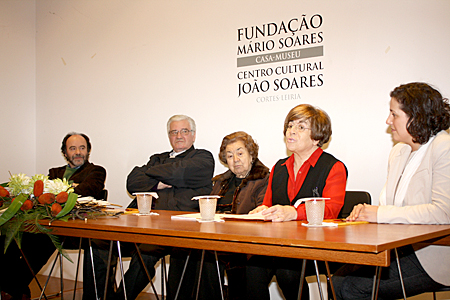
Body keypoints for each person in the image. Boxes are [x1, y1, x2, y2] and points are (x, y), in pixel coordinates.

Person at [333, 82, 450, 300]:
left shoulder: (444, 147)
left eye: (393, 114)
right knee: (337, 280)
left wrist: (380, 214)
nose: (388, 121)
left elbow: (443, 213)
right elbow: (394, 208)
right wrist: (368, 212)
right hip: (398, 248)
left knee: (351, 288)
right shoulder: (399, 151)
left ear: (415, 116)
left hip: (433, 257)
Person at [86, 115, 214, 300]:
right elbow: (133, 182)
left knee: (145, 251)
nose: (178, 136)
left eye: (184, 131)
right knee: (98, 242)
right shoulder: (157, 158)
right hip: (142, 221)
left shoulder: (203, 157)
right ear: (168, 136)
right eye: (173, 132)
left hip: (178, 227)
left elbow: (182, 172)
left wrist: (150, 175)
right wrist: (160, 181)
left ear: (193, 135)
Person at [246, 104, 348, 300]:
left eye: (301, 127)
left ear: (317, 136)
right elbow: (268, 203)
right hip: (280, 244)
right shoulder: (279, 167)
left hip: (316, 246)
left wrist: (294, 212)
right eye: (290, 125)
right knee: (253, 265)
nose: (291, 131)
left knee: (288, 269)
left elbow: (332, 211)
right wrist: (262, 211)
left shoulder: (333, 167)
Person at [0, 132, 106, 300]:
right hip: (49, 223)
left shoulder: (97, 171)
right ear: (65, 153)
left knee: (42, 238)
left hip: (75, 229)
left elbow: (86, 191)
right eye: (73, 148)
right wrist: (68, 189)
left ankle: (11, 289)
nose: (78, 152)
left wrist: (60, 191)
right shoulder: (54, 171)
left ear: (88, 151)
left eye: (82, 148)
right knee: (11, 233)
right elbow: (42, 196)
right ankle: (15, 288)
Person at [167, 131, 270, 300]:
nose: (235, 159)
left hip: (245, 242)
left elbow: (262, 213)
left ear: (251, 154)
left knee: (208, 255)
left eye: (240, 153)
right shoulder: (221, 181)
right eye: (229, 155)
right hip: (216, 238)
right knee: (182, 250)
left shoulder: (264, 179)